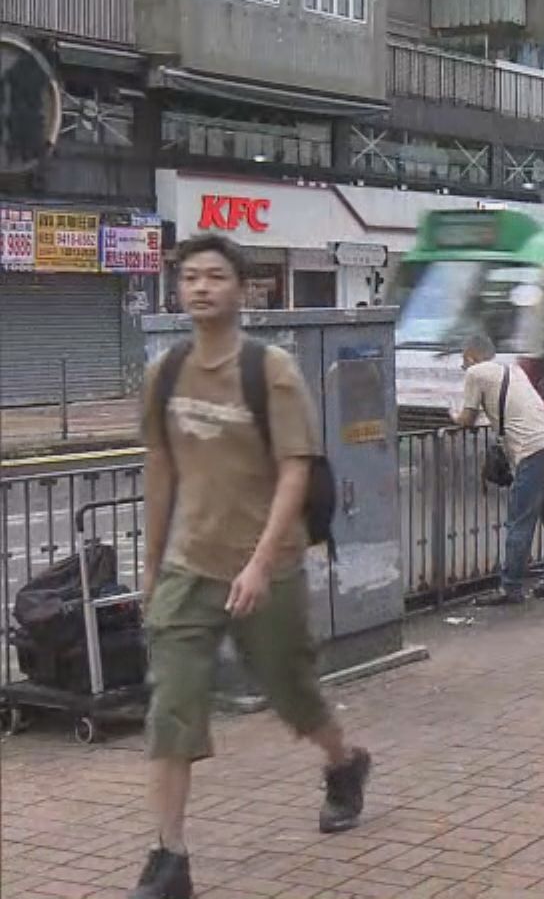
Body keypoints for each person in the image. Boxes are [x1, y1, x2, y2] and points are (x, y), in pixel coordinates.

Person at [133, 235, 371, 899]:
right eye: (189, 278)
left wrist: (262, 564)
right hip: (190, 565)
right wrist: (150, 564)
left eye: (215, 276)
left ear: (243, 289)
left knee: (293, 695)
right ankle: (168, 856)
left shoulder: (271, 372)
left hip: (269, 565)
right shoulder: (167, 372)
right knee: (172, 706)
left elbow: (296, 471)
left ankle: (344, 762)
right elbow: (159, 470)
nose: (201, 287)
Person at [453, 335, 544, 605]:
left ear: (470, 356)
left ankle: (511, 587)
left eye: (463, 361)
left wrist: (453, 416)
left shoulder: (475, 372)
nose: (463, 366)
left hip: (532, 450)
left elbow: (467, 420)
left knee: (520, 521)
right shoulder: (512, 369)